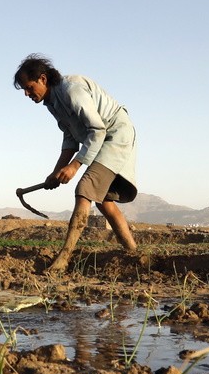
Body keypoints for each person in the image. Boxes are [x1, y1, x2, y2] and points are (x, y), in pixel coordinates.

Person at [13, 54, 138, 273]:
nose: (26, 93)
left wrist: (75, 165)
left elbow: (97, 130)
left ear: (43, 79)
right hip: (100, 138)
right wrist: (56, 172)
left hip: (113, 134)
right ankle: (134, 254)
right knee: (104, 201)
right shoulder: (52, 102)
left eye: (29, 87)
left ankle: (64, 257)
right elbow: (70, 137)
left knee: (84, 190)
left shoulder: (72, 90)